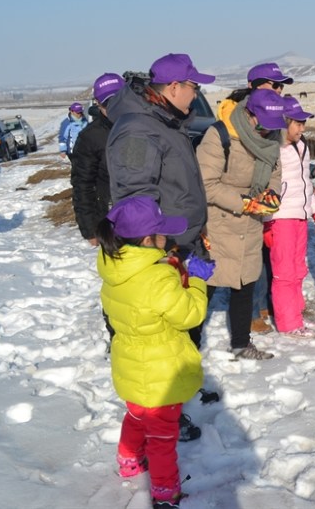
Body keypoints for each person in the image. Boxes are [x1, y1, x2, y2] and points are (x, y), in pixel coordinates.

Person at [106, 52, 218, 438]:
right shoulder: (139, 131)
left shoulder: (161, 121)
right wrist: (161, 251)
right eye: (194, 86)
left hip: (181, 241)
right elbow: (135, 198)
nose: (196, 93)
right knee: (166, 334)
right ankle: (164, 412)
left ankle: (180, 392)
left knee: (184, 332)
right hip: (164, 249)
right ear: (173, 87)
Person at [96, 195, 212, 509]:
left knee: (136, 415)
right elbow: (189, 315)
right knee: (162, 437)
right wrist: (198, 282)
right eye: (162, 233)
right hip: (160, 374)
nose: (167, 238)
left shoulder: (114, 270)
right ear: (148, 240)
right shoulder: (156, 278)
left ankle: (129, 460)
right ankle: (165, 492)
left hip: (131, 366)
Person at [196, 89, 286, 360]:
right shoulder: (219, 135)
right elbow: (206, 184)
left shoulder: (271, 137)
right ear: (250, 115)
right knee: (206, 288)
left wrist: (271, 197)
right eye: (264, 127)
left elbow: (274, 173)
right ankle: (188, 345)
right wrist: (246, 202)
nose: (268, 134)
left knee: (245, 284)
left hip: (250, 225)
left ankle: (240, 343)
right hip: (219, 223)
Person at [266, 96, 315, 337]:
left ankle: (296, 314)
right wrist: (266, 221)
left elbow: (305, 184)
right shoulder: (275, 149)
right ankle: (287, 323)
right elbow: (266, 187)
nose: (302, 128)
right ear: (284, 123)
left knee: (298, 268)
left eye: (303, 123)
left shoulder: (301, 147)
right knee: (284, 272)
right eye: (298, 123)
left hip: (299, 216)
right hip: (281, 217)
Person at [71, 73, 125, 247]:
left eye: (119, 100)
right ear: (99, 104)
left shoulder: (145, 125)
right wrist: (90, 228)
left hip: (150, 216)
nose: (114, 107)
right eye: (108, 103)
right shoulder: (90, 138)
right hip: (112, 220)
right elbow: (82, 185)